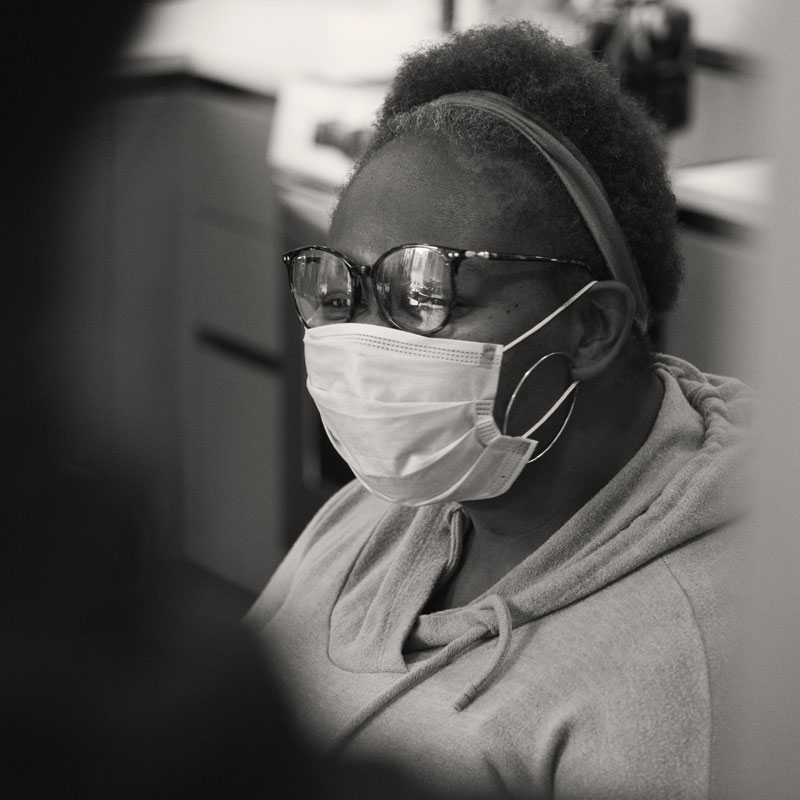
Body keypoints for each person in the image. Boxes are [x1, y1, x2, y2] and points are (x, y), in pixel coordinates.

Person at [247, 21, 753, 799]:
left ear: (592, 327)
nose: (362, 343)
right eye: (337, 287)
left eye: (424, 293)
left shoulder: (683, 670)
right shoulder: (389, 515)